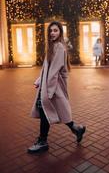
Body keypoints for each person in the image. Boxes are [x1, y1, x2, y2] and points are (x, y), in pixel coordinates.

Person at [28, 21, 86, 154]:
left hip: (53, 86)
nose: (53, 33)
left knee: (45, 112)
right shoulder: (52, 46)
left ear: (60, 32)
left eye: (56, 30)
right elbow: (46, 69)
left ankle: (43, 141)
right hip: (50, 85)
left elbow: (54, 71)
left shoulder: (59, 47)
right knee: (56, 112)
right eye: (51, 30)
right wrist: (39, 80)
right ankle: (77, 128)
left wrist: (48, 91)